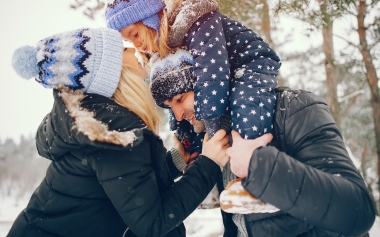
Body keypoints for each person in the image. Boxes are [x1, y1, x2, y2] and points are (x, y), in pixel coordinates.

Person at [7, 27, 230, 237]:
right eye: (124, 50)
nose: (134, 49)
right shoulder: (114, 134)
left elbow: (120, 186)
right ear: (112, 72)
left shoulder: (98, 125)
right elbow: (152, 222)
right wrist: (209, 164)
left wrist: (173, 164)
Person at [148, 59, 376, 236]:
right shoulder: (214, 141)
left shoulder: (293, 108)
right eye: (170, 107)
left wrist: (259, 166)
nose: (178, 115)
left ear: (210, 81)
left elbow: (357, 210)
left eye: (180, 98)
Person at [104, 0, 281, 139]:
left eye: (135, 34)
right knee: (196, 124)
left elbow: (211, 74)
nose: (136, 45)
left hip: (249, 62)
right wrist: (186, 137)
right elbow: (176, 90)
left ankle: (252, 154)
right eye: (128, 41)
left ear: (149, 17)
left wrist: (213, 133)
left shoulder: (193, 16)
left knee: (246, 116)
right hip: (223, 74)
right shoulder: (160, 45)